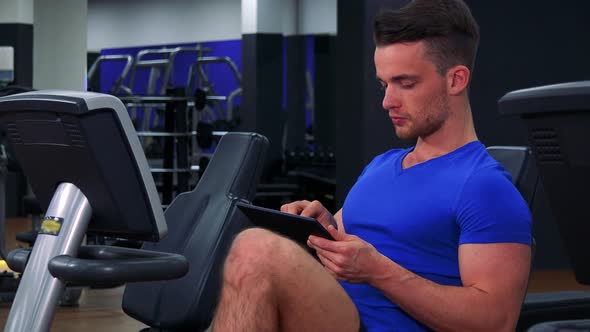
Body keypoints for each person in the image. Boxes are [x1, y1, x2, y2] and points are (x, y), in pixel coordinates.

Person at [211, 0, 532, 331]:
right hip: (335, 312)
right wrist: (325, 231)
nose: (387, 101)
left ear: (456, 80)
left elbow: (496, 322)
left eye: (405, 83)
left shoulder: (485, 187)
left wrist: (379, 270)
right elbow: (349, 252)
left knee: (256, 249)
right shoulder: (381, 166)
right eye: (384, 84)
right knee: (253, 240)